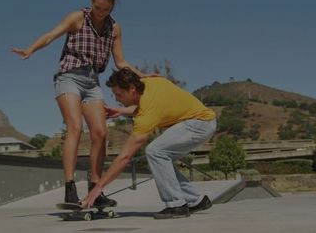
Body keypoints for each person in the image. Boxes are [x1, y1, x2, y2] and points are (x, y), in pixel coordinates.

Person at [12, 0, 149, 206]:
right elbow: (50, 35)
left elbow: (121, 61)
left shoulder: (114, 28)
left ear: (112, 8)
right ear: (92, 2)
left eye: (106, 10)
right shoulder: (77, 17)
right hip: (69, 77)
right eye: (98, 8)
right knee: (75, 127)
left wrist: (144, 76)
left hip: (92, 81)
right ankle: (69, 187)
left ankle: (95, 190)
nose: (101, 14)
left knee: (100, 133)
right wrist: (30, 49)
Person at [81, 68, 217, 219]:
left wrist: (99, 186)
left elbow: (125, 157)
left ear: (132, 89)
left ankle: (176, 205)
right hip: (202, 121)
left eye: (119, 94)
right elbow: (148, 105)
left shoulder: (147, 112)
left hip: (199, 123)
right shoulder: (148, 83)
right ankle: (195, 200)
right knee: (162, 157)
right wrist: (120, 111)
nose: (116, 98)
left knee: (155, 151)